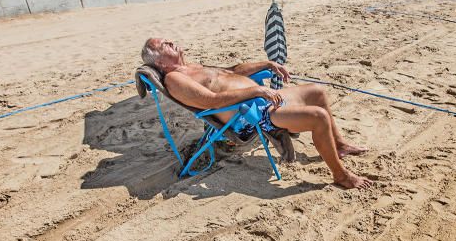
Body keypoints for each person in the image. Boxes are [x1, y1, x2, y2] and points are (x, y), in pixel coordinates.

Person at [140, 38, 372, 189]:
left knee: (317, 93)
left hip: (259, 101)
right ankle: (341, 176)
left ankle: (339, 145)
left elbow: (231, 71)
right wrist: (257, 90)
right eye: (164, 45)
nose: (171, 42)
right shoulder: (175, 79)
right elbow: (210, 101)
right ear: (160, 61)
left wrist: (267, 64)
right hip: (251, 115)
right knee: (318, 117)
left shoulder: (192, 68)